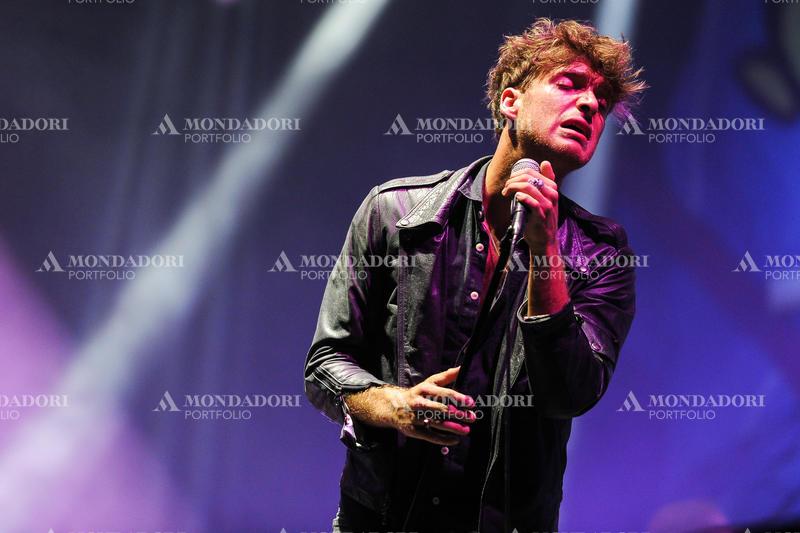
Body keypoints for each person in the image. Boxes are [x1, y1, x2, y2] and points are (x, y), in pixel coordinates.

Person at [304, 18, 646, 532]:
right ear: (511, 101)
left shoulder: (602, 252)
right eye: (570, 83)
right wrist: (395, 406)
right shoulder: (396, 212)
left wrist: (544, 248)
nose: (590, 105)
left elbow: (571, 393)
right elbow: (326, 364)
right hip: (382, 518)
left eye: (600, 100)